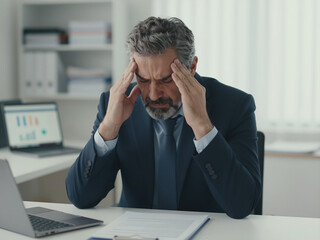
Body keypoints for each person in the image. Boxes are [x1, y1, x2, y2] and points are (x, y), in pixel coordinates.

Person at [66, 16, 261, 219]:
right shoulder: (115, 105)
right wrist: (109, 128)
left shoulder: (235, 106)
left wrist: (203, 126)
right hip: (136, 231)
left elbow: (242, 206)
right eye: (142, 79)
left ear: (192, 68)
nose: (153, 94)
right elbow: (80, 197)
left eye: (166, 80)